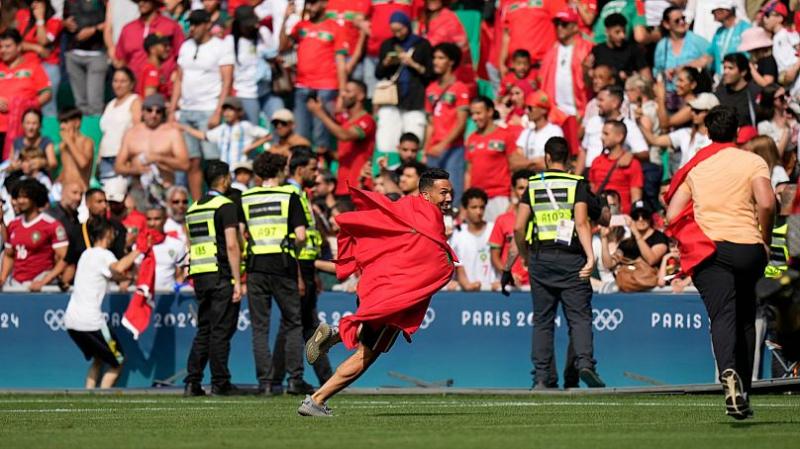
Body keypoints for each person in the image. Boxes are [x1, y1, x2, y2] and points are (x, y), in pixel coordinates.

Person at [299, 168, 457, 416]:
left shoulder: (407, 206)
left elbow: (386, 209)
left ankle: (335, 333)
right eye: (444, 192)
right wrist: (446, 264)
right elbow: (432, 256)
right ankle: (316, 400)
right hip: (392, 294)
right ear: (426, 195)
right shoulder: (431, 217)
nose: (449, 198)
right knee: (368, 353)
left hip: (374, 284)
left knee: (368, 340)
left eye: (451, 193)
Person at [665, 105, 775, 419]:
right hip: (748, 247)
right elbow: (767, 202)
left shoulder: (697, 166)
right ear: (738, 130)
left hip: (710, 250)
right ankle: (745, 392)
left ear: (708, 131)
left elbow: (673, 214)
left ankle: (728, 374)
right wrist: (764, 239)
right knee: (745, 319)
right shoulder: (753, 160)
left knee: (722, 317)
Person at [514, 136, 607, 390]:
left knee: (543, 321)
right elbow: (580, 221)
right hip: (571, 257)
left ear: (546, 157)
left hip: (540, 257)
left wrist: (524, 255)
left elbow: (518, 226)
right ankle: (585, 364)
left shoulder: (533, 184)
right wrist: (590, 256)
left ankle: (542, 378)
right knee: (579, 318)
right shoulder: (577, 183)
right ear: (568, 158)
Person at [242, 152, 312, 395]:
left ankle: (265, 383)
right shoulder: (289, 195)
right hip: (283, 264)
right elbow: (301, 235)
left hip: (255, 265)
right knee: (293, 323)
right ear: (281, 170)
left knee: (259, 327)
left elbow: (241, 234)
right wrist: (293, 250)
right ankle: (294, 379)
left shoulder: (246, 197)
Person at [269, 147, 332, 394]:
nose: (317, 175)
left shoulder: (300, 194)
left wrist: (311, 271)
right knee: (295, 325)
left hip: (306, 267)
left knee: (306, 325)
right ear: (299, 169)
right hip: (296, 267)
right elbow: (292, 239)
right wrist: (298, 273)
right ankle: (284, 379)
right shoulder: (291, 195)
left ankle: (324, 379)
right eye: (313, 169)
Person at [184, 160, 243, 397]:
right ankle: (220, 382)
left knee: (205, 330)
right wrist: (238, 280)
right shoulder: (226, 206)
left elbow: (191, 244)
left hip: (200, 274)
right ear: (226, 178)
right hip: (220, 274)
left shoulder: (194, 207)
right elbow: (231, 244)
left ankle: (192, 381)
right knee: (220, 331)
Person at [64, 218, 142, 389]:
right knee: (118, 361)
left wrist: (128, 278)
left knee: (99, 359)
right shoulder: (104, 255)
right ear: (107, 233)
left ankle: (88, 394)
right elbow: (118, 268)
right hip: (91, 323)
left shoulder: (86, 254)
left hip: (71, 321)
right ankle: (102, 398)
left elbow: (112, 274)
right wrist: (138, 250)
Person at [170, 9, 234, 201]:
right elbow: (179, 79)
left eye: (197, 24)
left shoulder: (220, 46)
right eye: (191, 24)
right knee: (193, 161)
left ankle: (220, 199)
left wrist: (218, 111)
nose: (193, 28)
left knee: (214, 160)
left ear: (208, 24)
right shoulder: (186, 46)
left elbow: (227, 81)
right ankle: (199, 204)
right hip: (187, 109)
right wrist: (172, 109)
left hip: (208, 108)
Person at [279, 0, 347, 155]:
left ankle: (321, 171)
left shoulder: (335, 27)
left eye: (314, 3)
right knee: (301, 134)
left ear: (324, 4)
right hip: (302, 86)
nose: (310, 7)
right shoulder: (301, 26)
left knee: (321, 135)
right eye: (308, 3)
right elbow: (283, 47)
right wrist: (285, 20)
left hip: (326, 87)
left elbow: (341, 62)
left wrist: (342, 93)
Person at [374, 11, 432, 157]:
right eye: (394, 31)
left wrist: (413, 64)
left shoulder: (422, 45)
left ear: (407, 26)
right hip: (392, 99)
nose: (398, 34)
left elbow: (429, 73)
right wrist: (386, 63)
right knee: (387, 141)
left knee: (413, 140)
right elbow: (378, 74)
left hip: (414, 99)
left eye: (400, 29)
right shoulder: (388, 44)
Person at [116, 94, 190, 204]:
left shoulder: (172, 133)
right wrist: (135, 170)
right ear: (143, 111)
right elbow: (118, 166)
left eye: (158, 111)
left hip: (165, 189)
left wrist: (159, 158)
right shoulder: (131, 133)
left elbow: (185, 164)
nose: (153, 115)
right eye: (149, 110)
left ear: (163, 113)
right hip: (138, 190)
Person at [307, 80, 375, 198]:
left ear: (361, 95)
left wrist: (320, 113)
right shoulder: (345, 121)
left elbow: (344, 135)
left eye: (348, 91)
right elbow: (344, 155)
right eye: (343, 91)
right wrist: (329, 153)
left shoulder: (367, 121)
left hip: (359, 187)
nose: (343, 94)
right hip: (341, 188)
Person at [0, 179, 68, 291]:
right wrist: (2, 278)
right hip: (16, 284)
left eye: (25, 197)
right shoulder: (13, 225)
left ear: (35, 198)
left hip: (40, 285)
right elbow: (9, 255)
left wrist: (44, 281)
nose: (20, 201)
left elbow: (64, 257)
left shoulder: (51, 225)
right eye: (18, 197)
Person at [425, 42, 469, 206]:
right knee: (432, 195)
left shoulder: (460, 88)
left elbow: (461, 122)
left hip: (453, 148)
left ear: (451, 62)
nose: (435, 61)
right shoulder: (430, 89)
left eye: (440, 58)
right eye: (434, 57)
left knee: (452, 191)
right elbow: (430, 123)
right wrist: (425, 148)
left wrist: (443, 144)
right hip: (433, 149)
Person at [0, 29, 51, 156]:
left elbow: (47, 93)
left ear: (19, 47)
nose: (3, 50)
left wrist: (27, 108)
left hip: (22, 131)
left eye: (8, 46)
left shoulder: (33, 66)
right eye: (0, 47)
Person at [465, 97, 516, 222]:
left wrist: (514, 200)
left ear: (490, 112)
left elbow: (514, 168)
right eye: (472, 114)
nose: (475, 117)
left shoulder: (505, 135)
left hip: (500, 197)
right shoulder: (471, 138)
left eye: (478, 113)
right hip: (477, 200)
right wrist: (465, 201)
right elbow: (468, 172)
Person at [180, 96, 271, 167]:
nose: (227, 113)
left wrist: (250, 147)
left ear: (239, 112)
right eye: (225, 110)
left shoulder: (245, 126)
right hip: (226, 170)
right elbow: (205, 136)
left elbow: (268, 135)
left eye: (230, 110)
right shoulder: (222, 129)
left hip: (241, 169)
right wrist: (186, 128)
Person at [114, 0, 184, 91]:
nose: (141, 3)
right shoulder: (128, 29)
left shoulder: (171, 26)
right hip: (134, 90)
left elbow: (182, 55)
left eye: (145, 0)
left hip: (164, 89)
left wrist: (176, 75)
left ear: (155, 2)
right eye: (138, 1)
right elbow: (121, 59)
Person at [639, 92, 717, 171]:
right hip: (683, 180)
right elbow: (655, 140)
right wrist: (638, 121)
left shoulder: (717, 139)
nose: (693, 113)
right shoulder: (686, 133)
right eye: (692, 110)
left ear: (710, 113)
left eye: (697, 111)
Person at [580, 85, 648, 175]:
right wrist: (577, 179)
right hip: (588, 173)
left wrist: (630, 155)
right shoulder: (593, 121)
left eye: (601, 100)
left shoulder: (628, 126)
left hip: (610, 175)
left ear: (615, 103)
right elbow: (583, 151)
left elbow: (644, 152)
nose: (598, 104)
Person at [539, 7, 593, 118]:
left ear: (575, 27)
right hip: (555, 112)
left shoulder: (587, 48)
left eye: (564, 24)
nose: (559, 28)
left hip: (580, 111)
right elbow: (542, 79)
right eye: (557, 24)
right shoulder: (551, 50)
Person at [14, 0, 61, 118]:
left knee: (48, 108)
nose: (34, 4)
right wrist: (37, 48)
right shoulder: (22, 15)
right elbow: (15, 43)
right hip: (26, 67)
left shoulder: (55, 20)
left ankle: (48, 136)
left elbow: (43, 41)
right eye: (32, 1)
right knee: (25, 107)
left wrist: (40, 19)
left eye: (38, 1)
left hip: (47, 67)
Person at [418, 0, 476, 96]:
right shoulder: (423, 17)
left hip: (446, 70)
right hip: (426, 68)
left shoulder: (449, 18)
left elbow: (461, 47)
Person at [588, 120, 643, 213]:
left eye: (606, 134)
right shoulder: (596, 161)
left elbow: (636, 198)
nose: (602, 137)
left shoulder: (632, 164)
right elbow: (591, 192)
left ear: (619, 137)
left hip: (621, 217)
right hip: (599, 216)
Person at [491, 169, 532, 291]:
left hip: (536, 283)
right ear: (513, 190)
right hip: (510, 285)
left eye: (528, 188)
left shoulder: (540, 219)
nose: (525, 192)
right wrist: (507, 274)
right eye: (521, 188)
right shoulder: (502, 220)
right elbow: (495, 256)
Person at [63, 0, 106, 116]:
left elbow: (111, 21)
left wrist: (94, 30)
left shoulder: (103, 2)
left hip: (96, 54)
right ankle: (82, 132)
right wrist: (64, 23)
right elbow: (54, 18)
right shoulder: (68, 2)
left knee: (95, 103)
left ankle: (95, 133)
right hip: (73, 54)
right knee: (80, 103)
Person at [653, 6, 710, 94]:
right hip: (670, 94)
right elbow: (657, 70)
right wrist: (665, 73)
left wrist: (689, 66)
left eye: (683, 18)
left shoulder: (697, 41)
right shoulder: (662, 45)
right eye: (677, 20)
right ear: (666, 24)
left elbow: (711, 59)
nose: (682, 22)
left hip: (694, 94)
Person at [449, 188, 498, 291]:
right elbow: (458, 265)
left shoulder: (494, 229)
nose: (478, 212)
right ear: (465, 209)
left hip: (492, 291)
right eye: (474, 207)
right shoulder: (457, 233)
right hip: (465, 292)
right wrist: (467, 285)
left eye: (481, 207)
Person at [98, 67, 142, 181]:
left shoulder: (134, 101)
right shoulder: (110, 104)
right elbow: (105, 133)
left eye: (123, 81)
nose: (118, 85)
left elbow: (138, 131)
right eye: (115, 81)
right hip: (105, 158)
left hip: (122, 158)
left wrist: (130, 157)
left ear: (131, 84)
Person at [591, 13, 651, 80]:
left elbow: (646, 76)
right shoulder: (598, 51)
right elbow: (589, 77)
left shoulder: (634, 49)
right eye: (617, 32)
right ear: (607, 31)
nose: (622, 36)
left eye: (624, 31)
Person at [514, 91, 565, 171]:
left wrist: (527, 163)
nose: (526, 111)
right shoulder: (526, 132)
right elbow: (516, 161)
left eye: (530, 108)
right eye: (526, 108)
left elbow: (551, 162)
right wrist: (534, 162)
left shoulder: (555, 131)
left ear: (543, 110)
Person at [141, 206, 187, 292]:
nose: (152, 223)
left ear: (165, 220)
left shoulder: (177, 245)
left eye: (156, 219)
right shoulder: (138, 247)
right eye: (149, 219)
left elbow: (181, 273)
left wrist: (175, 289)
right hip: (144, 299)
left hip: (168, 299)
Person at [706, 0, 750, 77]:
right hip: (721, 80)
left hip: (741, 80)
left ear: (726, 10)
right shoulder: (719, 31)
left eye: (714, 10)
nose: (712, 13)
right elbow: (710, 55)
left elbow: (750, 56)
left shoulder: (745, 28)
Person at [715, 53, 760, 126]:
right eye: (724, 68)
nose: (726, 72)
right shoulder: (720, 92)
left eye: (730, 68)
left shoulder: (754, 93)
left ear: (743, 72)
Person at [56, 108, 94, 196]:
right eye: (61, 122)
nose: (62, 126)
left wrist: (69, 141)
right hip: (64, 192)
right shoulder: (64, 145)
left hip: (81, 192)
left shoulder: (87, 141)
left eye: (65, 122)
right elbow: (67, 168)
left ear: (77, 122)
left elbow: (83, 164)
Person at [9, 108, 57, 173]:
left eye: (34, 123)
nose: (30, 127)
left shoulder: (46, 141)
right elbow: (10, 163)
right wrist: (14, 166)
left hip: (40, 179)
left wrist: (43, 162)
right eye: (28, 123)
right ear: (22, 124)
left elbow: (53, 163)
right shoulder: (17, 142)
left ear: (40, 125)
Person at [756, 84, 792, 156]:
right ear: (772, 101)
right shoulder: (764, 126)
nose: (786, 98)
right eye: (782, 97)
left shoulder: (794, 114)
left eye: (787, 94)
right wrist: (786, 130)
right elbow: (776, 155)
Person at [139, 34, 173, 99]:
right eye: (164, 45)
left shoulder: (155, 69)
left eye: (169, 45)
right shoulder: (152, 71)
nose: (168, 48)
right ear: (152, 49)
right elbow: (150, 100)